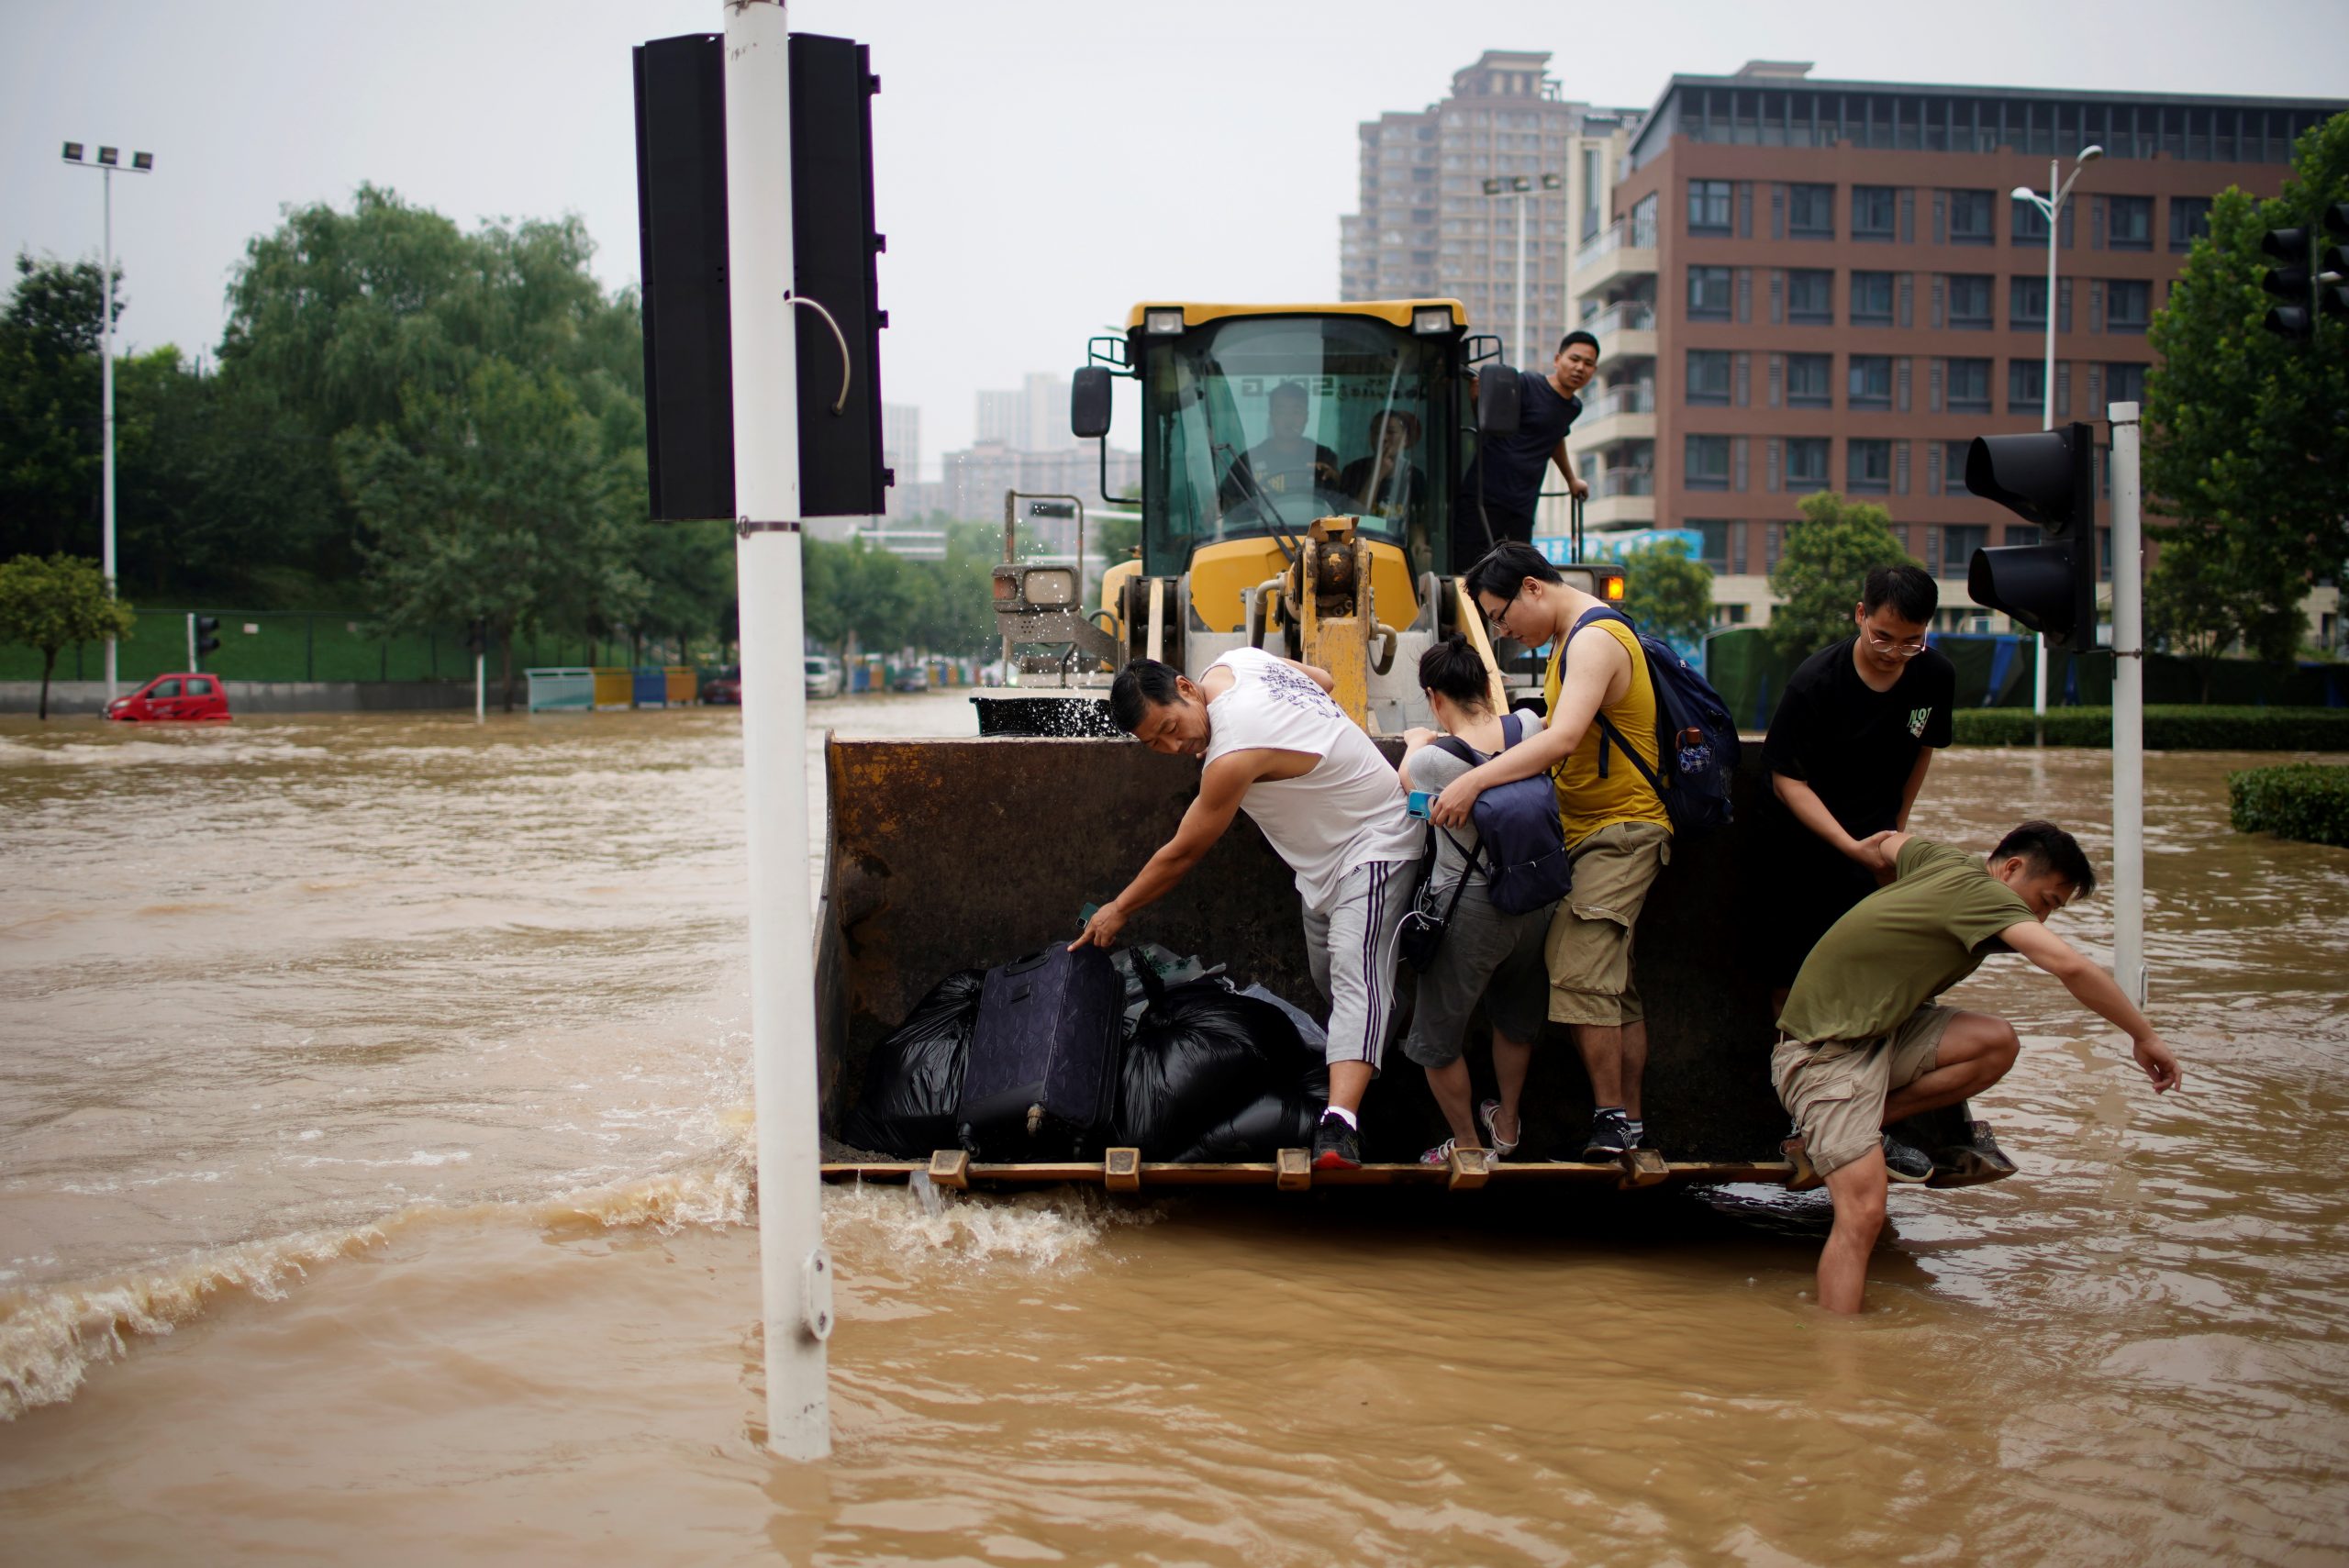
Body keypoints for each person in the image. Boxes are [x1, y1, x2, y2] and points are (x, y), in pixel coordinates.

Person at [1774, 820, 2183, 1314]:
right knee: (1863, 1214)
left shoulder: (1943, 860)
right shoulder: (1989, 895)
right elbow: (2071, 967)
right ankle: (1839, 1358)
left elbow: (1886, 843)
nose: (2042, 918)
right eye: (2047, 901)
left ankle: (1868, 1127)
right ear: (2012, 868)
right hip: (1824, 1054)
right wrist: (2144, 1036)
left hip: (1885, 1031)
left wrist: (1872, 861)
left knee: (1996, 1042)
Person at [1074, 650, 1423, 1171]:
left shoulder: (1233, 752)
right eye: (1156, 743)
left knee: (1356, 974)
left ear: (1188, 689)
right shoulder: (1238, 661)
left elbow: (1184, 851)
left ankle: (1340, 1127)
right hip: (1321, 865)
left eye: (1172, 727)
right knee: (1336, 980)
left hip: (1376, 840)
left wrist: (1118, 909)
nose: (1174, 745)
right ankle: (1373, 1067)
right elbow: (1324, 679)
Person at [1434, 540, 1673, 1161]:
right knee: (1614, 986)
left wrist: (1475, 777)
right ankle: (1631, 1122)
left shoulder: (1593, 639)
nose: (1501, 628)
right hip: (1591, 830)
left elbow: (1564, 737)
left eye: (1500, 613)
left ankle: (1613, 1118)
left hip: (1619, 831)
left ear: (1534, 588)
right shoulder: (1572, 641)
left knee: (1578, 963)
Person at [1763, 563, 1958, 1006]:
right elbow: (1787, 780)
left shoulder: (1935, 676)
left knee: (1872, 976)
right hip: (1804, 844)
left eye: (1912, 641)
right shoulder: (1815, 683)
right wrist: (1851, 846)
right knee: (1793, 979)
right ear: (1860, 615)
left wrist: (1896, 830)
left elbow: (1922, 748)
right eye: (1882, 637)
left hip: (1878, 840)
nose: (1894, 652)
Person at [1396, 636, 1557, 1165]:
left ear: (1434, 696)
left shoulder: (1435, 761)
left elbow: (1408, 786)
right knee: (1515, 1017)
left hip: (1470, 910)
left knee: (1438, 1035)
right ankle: (1507, 1124)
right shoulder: (1530, 730)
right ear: (1489, 686)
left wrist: (1417, 738)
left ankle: (1467, 1146)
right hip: (1535, 901)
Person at [1454, 331, 1598, 566]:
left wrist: (1571, 480)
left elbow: (1555, 436)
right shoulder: (1527, 383)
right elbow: (1488, 421)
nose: (1580, 368)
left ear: (1594, 371)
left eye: (1588, 364)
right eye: (1574, 359)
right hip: (1486, 492)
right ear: (1557, 359)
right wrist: (1475, 401)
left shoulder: (1573, 407)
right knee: (1469, 566)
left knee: (1513, 573)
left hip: (1523, 502)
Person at [1226, 380, 1339, 505]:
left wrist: (1335, 479)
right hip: (1264, 524)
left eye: (1296, 412)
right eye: (1281, 411)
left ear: (1306, 417)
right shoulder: (1248, 461)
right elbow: (1226, 505)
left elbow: (1341, 504)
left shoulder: (1324, 457)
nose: (1289, 419)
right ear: (1272, 416)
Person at [1338, 409, 1426, 518]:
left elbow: (1417, 526)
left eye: (1390, 432)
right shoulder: (1353, 470)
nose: (1383, 438)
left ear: (1405, 439)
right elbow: (1352, 518)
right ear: (1371, 437)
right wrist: (1377, 476)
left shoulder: (1414, 476)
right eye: (1377, 432)